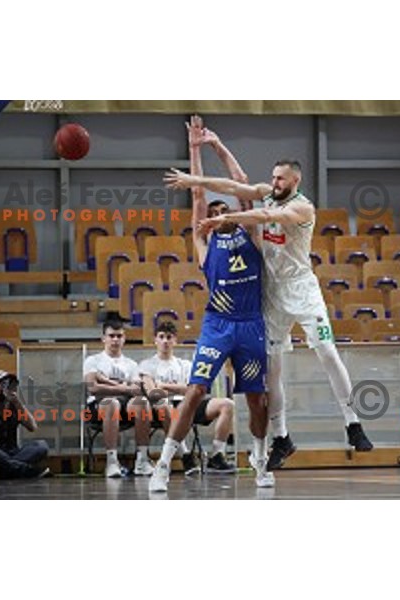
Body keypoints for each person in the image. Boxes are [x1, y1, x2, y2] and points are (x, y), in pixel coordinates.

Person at [166, 153, 374, 470]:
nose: (274, 182)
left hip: (302, 289)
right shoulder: (268, 193)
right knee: (272, 368)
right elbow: (233, 184)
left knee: (327, 351)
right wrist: (196, 180)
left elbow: (264, 216)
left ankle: (353, 422)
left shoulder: (302, 208)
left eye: (280, 178)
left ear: (295, 181)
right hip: (272, 292)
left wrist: (227, 220)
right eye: (273, 176)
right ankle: (281, 437)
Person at [149, 116, 273, 493]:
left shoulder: (251, 233)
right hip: (217, 325)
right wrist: (194, 148)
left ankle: (260, 458)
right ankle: (165, 463)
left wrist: (219, 146)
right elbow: (198, 196)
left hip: (251, 324)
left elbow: (246, 189)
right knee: (195, 391)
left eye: (225, 211)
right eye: (214, 213)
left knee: (257, 399)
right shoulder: (204, 244)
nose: (218, 215)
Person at [138, 320, 236, 473]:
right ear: (155, 340)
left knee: (227, 404)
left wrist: (164, 386)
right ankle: (185, 455)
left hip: (189, 404)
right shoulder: (147, 364)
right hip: (161, 409)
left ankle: (217, 455)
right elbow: (152, 392)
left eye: (169, 337)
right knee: (164, 404)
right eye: (161, 337)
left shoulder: (185, 365)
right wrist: (177, 388)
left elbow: (193, 390)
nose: (165, 341)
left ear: (175, 341)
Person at [83, 317, 155, 478]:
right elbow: (93, 388)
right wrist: (124, 386)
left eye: (119, 336)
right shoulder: (93, 360)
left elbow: (136, 390)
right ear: (103, 338)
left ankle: (142, 460)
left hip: (125, 403)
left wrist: (107, 381)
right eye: (111, 336)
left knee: (142, 402)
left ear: (124, 339)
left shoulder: (131, 364)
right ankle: (112, 461)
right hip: (99, 405)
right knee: (111, 403)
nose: (115, 339)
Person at [0, 370, 50, 479]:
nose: (7, 388)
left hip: (13, 453)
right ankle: (25, 471)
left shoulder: (14, 406)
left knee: (41, 446)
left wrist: (17, 403)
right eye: (3, 384)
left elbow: (32, 427)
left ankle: (8, 469)